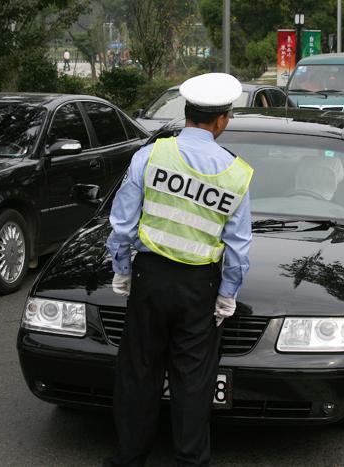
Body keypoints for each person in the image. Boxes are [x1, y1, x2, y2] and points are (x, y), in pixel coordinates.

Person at [104, 72, 254, 466]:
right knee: (193, 380)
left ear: (186, 113)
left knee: (139, 372)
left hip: (150, 278)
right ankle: (190, 461)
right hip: (199, 287)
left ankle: (130, 458)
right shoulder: (236, 173)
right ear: (221, 119)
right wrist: (227, 296)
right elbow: (238, 246)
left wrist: (122, 270)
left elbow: (122, 225)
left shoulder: (150, 155)